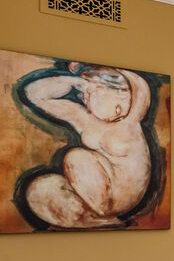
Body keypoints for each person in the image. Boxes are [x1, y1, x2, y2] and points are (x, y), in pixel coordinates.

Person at [17, 63, 152, 229]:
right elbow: (34, 94)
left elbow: (139, 84)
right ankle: (96, 222)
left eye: (93, 92)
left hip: (119, 196)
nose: (84, 97)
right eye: (84, 92)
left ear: (121, 96)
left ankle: (101, 214)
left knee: (76, 156)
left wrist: (93, 66)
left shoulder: (131, 120)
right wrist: (75, 82)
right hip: (92, 194)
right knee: (39, 189)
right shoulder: (84, 119)